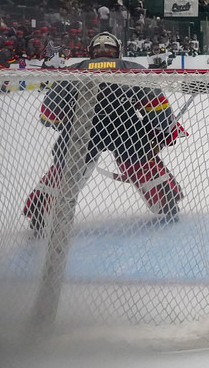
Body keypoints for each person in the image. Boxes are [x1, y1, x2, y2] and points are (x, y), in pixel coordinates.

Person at [22, 32, 185, 234]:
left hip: (82, 128)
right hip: (126, 127)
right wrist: (163, 128)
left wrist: (64, 126)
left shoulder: (76, 68)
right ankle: (167, 203)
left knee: (64, 171)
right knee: (142, 164)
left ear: (92, 51)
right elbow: (156, 103)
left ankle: (40, 213)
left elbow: (49, 114)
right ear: (117, 51)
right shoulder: (130, 68)